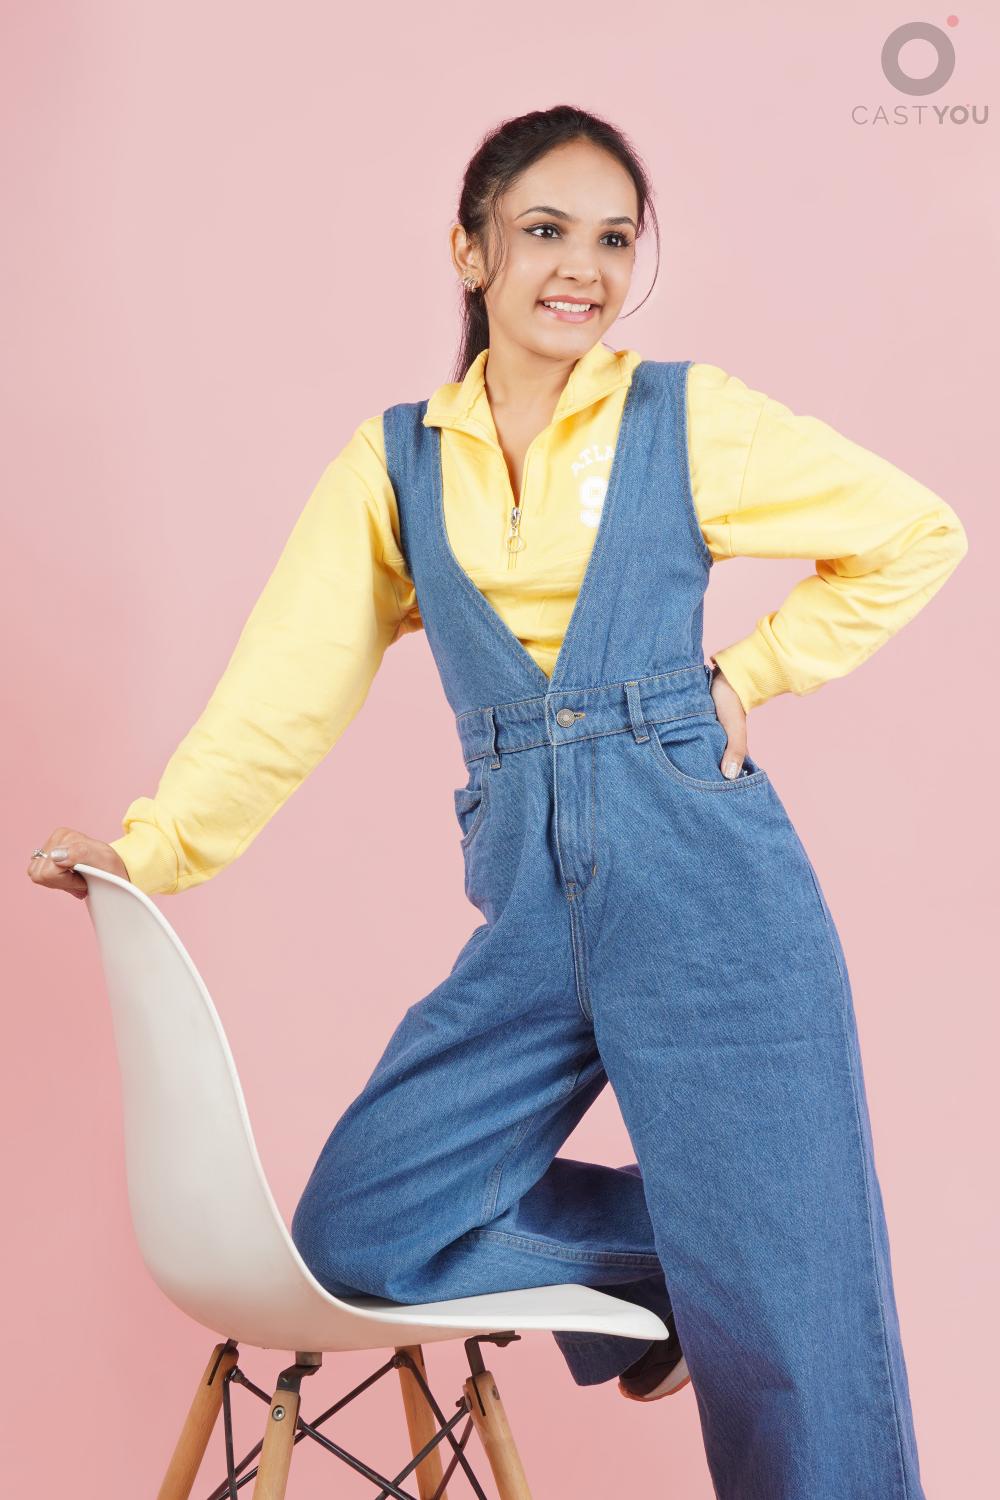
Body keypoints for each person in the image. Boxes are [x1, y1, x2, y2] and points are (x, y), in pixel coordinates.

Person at [29, 105, 967, 1498]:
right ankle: (682, 1263)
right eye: (544, 231)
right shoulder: (397, 463)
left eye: (614, 239)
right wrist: (149, 851)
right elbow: (288, 688)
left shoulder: (685, 417)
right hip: (531, 892)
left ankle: (757, 1265)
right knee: (360, 1232)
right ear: (471, 251)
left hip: (706, 876)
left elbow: (913, 533)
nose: (581, 267)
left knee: (796, 1336)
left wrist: (751, 671)